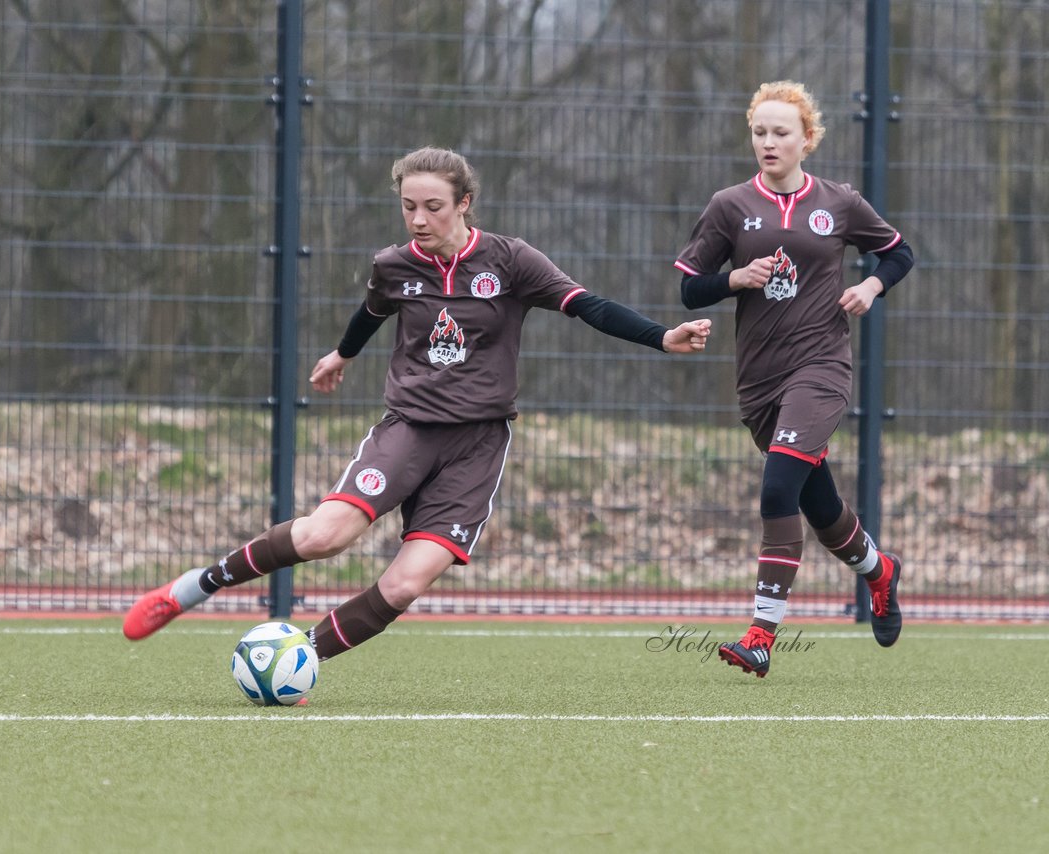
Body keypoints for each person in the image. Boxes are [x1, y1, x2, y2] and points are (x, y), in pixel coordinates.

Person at [124, 146, 712, 662]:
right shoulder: (395, 264)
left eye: (432, 206)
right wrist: (342, 354)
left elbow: (590, 305)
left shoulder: (511, 261)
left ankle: (298, 657)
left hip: (476, 445)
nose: (418, 218)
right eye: (409, 205)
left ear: (464, 203)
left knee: (404, 585)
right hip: (408, 428)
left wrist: (662, 336)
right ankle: (192, 589)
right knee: (324, 536)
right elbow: (373, 310)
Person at [673, 81, 914, 678]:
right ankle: (878, 571)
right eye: (759, 132)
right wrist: (734, 279)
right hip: (759, 381)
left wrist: (868, 286)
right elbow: (688, 286)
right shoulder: (729, 205)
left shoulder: (840, 201)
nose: (768, 143)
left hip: (821, 367)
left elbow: (899, 253)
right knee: (819, 503)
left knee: (778, 491)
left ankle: (760, 635)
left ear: (808, 139)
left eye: (781, 132)